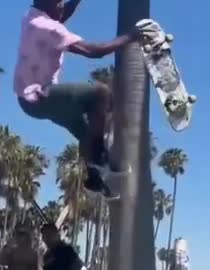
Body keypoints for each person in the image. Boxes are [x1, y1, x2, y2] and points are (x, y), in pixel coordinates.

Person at [14, 0, 141, 197]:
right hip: (40, 96)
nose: (62, 6)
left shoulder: (32, 15)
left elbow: (62, 14)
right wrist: (131, 37)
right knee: (101, 93)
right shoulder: (47, 27)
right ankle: (99, 157)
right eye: (59, 3)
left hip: (33, 101)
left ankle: (94, 181)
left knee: (85, 133)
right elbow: (94, 51)